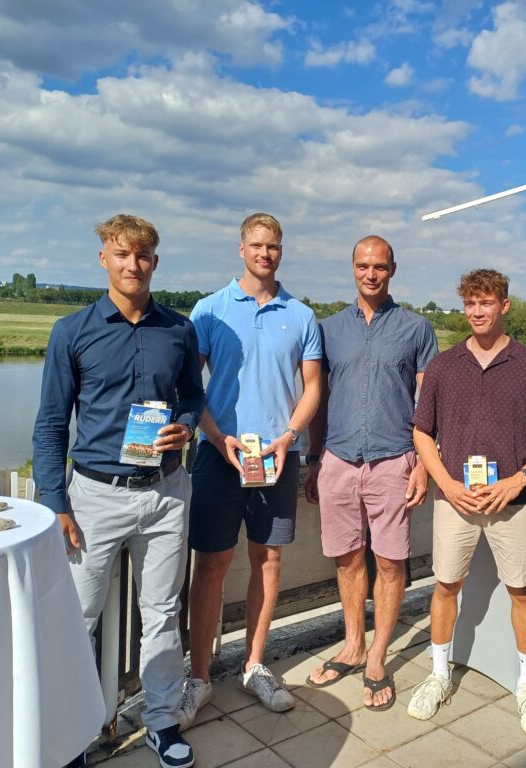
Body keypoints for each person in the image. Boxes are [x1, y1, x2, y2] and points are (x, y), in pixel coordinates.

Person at [33, 214, 204, 768]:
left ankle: (162, 721)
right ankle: (69, 737)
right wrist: (55, 502)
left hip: (166, 492)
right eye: (122, 254)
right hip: (94, 498)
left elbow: (192, 395)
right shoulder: (71, 331)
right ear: (103, 258)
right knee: (76, 619)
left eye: (143, 256)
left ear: (156, 261)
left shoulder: (179, 330)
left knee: (162, 613)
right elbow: (51, 425)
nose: (134, 265)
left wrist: (185, 425)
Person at [407, 268, 526, 735]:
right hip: (454, 500)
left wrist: (519, 480)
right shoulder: (443, 366)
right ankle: (438, 675)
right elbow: (422, 432)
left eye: (487, 302)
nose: (477, 312)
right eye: (471, 303)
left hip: (512, 502)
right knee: (445, 586)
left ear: (504, 306)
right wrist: (445, 482)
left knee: (522, 591)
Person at [180, 212, 321, 724]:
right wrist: (216, 437)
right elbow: (189, 387)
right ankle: (199, 678)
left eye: (274, 246)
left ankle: (254, 665)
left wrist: (290, 437)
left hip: (277, 458)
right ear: (241, 249)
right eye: (257, 245)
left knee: (268, 561)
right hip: (220, 458)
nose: (266, 253)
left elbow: (313, 388)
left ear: (282, 250)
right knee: (211, 565)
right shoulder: (210, 310)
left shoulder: (301, 316)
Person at [303, 235, 438, 710]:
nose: (371, 274)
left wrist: (423, 464)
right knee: (346, 558)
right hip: (338, 459)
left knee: (391, 561)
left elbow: (428, 402)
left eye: (379, 266)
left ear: (392, 269)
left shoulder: (417, 329)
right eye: (363, 265)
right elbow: (318, 398)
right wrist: (314, 458)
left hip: (394, 459)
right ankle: (353, 645)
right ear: (353, 268)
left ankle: (378, 655)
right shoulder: (328, 329)